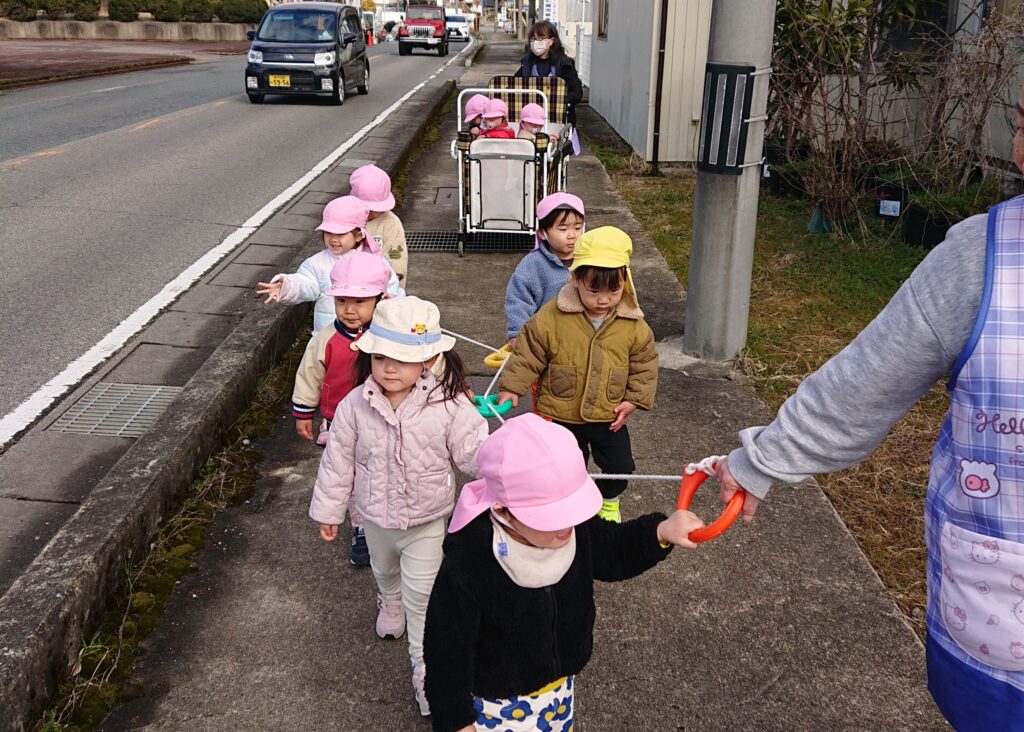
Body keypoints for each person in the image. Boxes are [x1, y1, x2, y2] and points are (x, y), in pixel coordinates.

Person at [712, 83, 1024, 732]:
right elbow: (860, 385)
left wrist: (760, 462)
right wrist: (762, 461)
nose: (1017, 145)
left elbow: (861, 384)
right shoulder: (979, 257)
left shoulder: (983, 256)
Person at [422, 413, 705, 732]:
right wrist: (456, 718)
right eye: (550, 517)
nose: (567, 526)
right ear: (502, 510)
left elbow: (612, 550)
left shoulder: (574, 526)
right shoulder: (471, 559)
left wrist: (661, 531)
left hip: (557, 691)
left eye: (570, 509)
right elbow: (446, 645)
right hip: (492, 703)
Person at [309, 296, 489, 717]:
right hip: (373, 516)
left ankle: (426, 671)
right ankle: (387, 599)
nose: (389, 368)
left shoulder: (449, 403)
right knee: (384, 570)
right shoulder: (356, 405)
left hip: (427, 519)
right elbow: (338, 461)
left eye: (402, 359)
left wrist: (503, 466)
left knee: (423, 600)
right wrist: (329, 510)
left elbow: (472, 450)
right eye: (381, 357)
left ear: (427, 360)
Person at [498, 226, 658, 523]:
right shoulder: (552, 316)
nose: (603, 300)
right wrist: (511, 389)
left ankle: (608, 502)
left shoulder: (633, 324)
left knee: (620, 465)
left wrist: (634, 400)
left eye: (614, 290)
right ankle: (570, 504)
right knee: (564, 466)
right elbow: (529, 353)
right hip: (560, 412)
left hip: (608, 414)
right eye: (593, 290)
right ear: (575, 279)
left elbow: (645, 364)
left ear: (625, 280)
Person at [256, 196, 403, 334]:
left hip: (370, 334)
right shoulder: (317, 264)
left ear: (358, 235)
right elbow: (305, 283)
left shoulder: (375, 262)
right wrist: (287, 285)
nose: (333, 239)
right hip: (329, 336)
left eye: (341, 234)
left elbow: (391, 290)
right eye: (328, 233)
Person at [504, 192, 585, 348]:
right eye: (563, 229)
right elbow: (518, 300)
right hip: (547, 340)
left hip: (584, 338)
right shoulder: (532, 266)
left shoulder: (590, 259)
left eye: (578, 227)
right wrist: (517, 334)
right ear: (543, 233)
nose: (572, 235)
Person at [350, 164, 409, 288]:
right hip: (350, 283)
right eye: (365, 208)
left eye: (375, 209)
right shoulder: (346, 218)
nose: (369, 212)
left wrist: (395, 283)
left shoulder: (390, 223)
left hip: (382, 285)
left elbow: (397, 257)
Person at [515, 20, 582, 127]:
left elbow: (576, 93)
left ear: (551, 41)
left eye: (541, 39)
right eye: (533, 39)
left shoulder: (565, 64)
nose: (536, 42)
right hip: (530, 120)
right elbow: (515, 86)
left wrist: (556, 103)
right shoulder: (527, 63)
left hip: (558, 120)